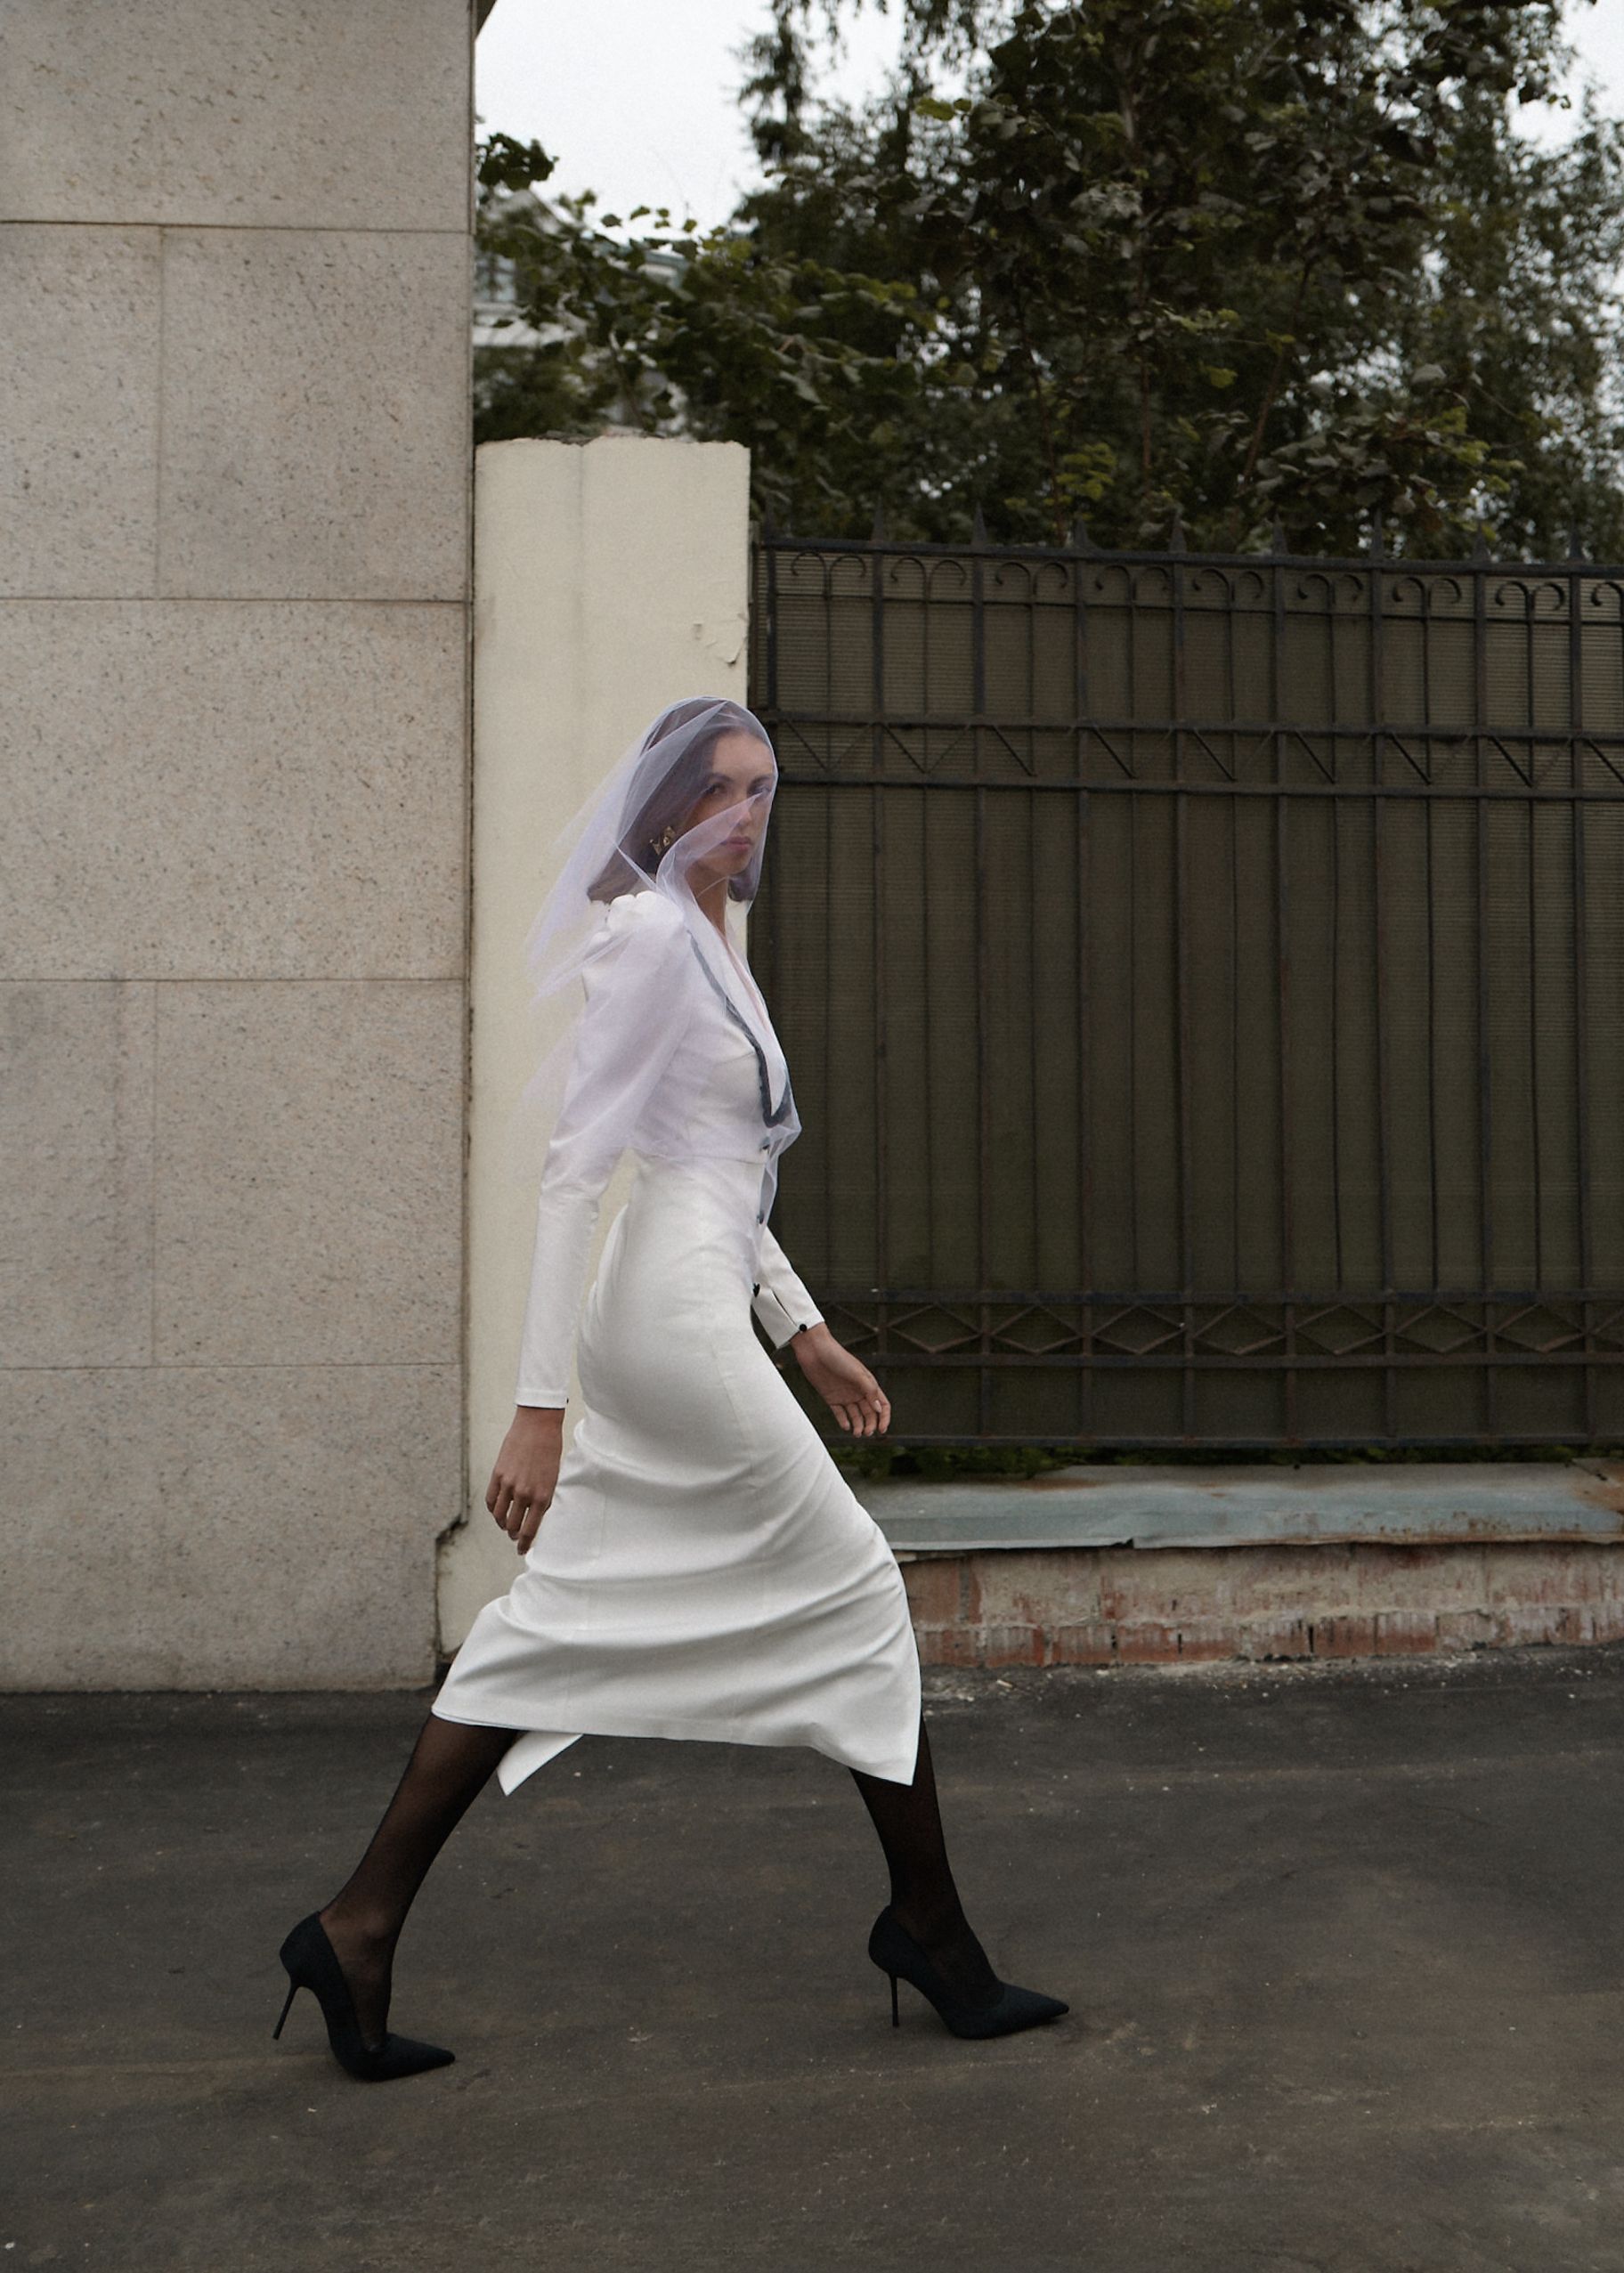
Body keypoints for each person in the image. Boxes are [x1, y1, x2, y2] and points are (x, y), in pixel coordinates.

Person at [272, 696, 1068, 2081]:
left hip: (699, 1302)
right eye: (722, 790)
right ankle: (932, 1931)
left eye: (764, 789)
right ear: (668, 805)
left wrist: (803, 1330)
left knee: (561, 1619)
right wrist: (538, 1404)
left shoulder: (708, 937)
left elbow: (719, 1169)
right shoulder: (646, 933)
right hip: (669, 1324)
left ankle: (357, 1926)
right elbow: (578, 1171)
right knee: (859, 1589)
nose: (749, 814)